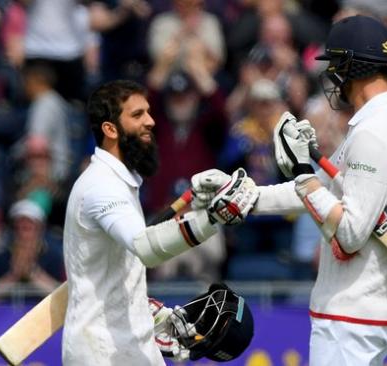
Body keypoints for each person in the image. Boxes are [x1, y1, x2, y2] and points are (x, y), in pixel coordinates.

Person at [192, 15, 387, 365]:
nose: (334, 78)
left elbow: (349, 233)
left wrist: (302, 172)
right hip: (366, 305)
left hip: (354, 312)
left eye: (337, 67)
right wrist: (249, 195)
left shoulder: (375, 135)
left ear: (354, 67)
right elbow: (327, 192)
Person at [61, 79, 258, 365]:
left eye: (149, 112)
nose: (151, 121)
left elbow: (120, 273)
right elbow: (145, 248)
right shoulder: (100, 186)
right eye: (137, 114)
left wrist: (148, 313)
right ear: (110, 129)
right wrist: (210, 218)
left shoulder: (121, 181)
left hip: (128, 345)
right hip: (102, 352)